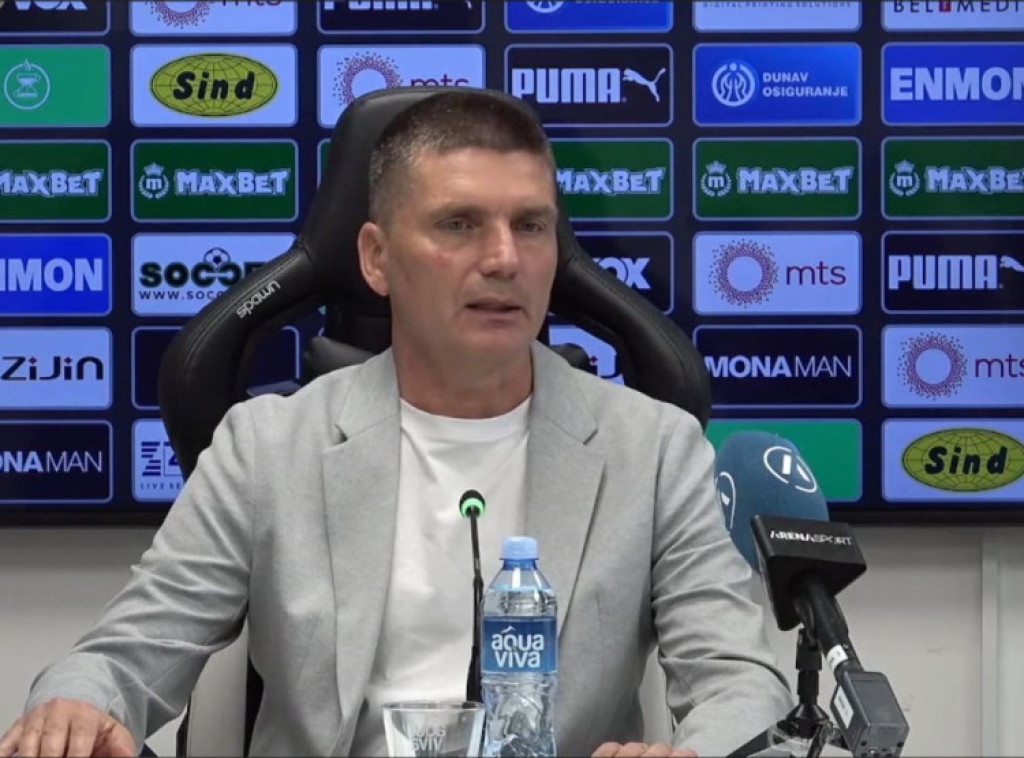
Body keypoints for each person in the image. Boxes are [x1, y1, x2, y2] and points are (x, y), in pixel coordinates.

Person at [0, 90, 793, 758]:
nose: (504, 258)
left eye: (531, 226)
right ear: (376, 258)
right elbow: (122, 657)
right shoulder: (265, 448)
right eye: (459, 225)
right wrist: (77, 708)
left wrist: (692, 754)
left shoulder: (654, 449)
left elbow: (740, 681)